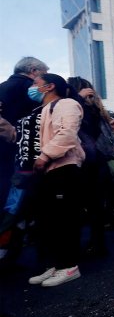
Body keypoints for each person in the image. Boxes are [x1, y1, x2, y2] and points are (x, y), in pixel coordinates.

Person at [27, 73, 85, 287]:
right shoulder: (41, 110)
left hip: (64, 168)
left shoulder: (66, 104)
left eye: (36, 84)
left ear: (50, 86)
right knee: (48, 220)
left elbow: (68, 132)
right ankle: (54, 265)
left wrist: (45, 155)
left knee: (64, 219)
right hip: (48, 170)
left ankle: (69, 266)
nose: (32, 87)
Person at [67, 76, 114, 256]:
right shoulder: (80, 106)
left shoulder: (89, 109)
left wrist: (80, 100)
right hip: (90, 161)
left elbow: (92, 131)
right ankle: (95, 243)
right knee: (91, 206)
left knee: (91, 205)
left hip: (90, 162)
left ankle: (94, 244)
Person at [0, 57, 49, 211]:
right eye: (43, 74)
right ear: (33, 71)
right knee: (18, 199)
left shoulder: (3, 87)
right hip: (22, 154)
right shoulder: (30, 88)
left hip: (4, 151)